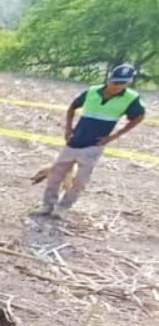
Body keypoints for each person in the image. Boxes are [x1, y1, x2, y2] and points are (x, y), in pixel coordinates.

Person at [39, 64, 146, 217]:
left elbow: (139, 117)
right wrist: (68, 129)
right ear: (109, 79)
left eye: (122, 83)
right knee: (55, 174)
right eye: (115, 82)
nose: (117, 86)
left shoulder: (131, 98)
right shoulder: (92, 91)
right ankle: (47, 205)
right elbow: (72, 107)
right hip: (74, 140)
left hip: (94, 145)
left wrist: (113, 137)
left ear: (128, 82)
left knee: (80, 181)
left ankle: (63, 207)